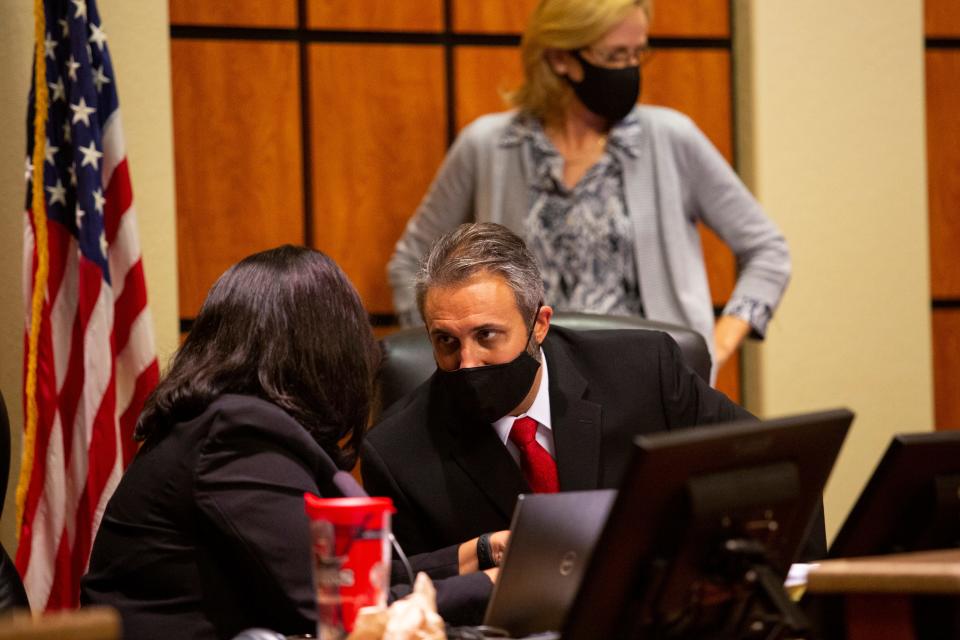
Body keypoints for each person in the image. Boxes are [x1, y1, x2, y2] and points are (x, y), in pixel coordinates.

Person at [80, 246, 500, 639]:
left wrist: (480, 552)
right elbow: (343, 609)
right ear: (327, 351)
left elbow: (347, 570)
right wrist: (494, 585)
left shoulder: (217, 426)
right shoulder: (237, 439)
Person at [388, 0, 790, 378]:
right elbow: (411, 262)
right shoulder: (488, 146)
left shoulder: (670, 138)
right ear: (561, 58)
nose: (631, 68)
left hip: (651, 383)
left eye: (638, 53)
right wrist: (447, 355)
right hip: (528, 393)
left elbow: (767, 250)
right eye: (616, 56)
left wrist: (714, 346)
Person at [363, 222, 756, 557]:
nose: (467, 362)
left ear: (539, 324)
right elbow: (404, 596)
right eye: (446, 341)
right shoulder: (399, 452)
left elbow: (766, 460)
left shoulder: (644, 372)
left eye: (487, 335)